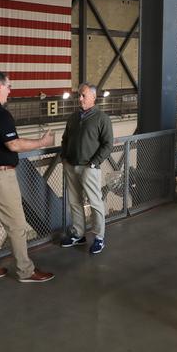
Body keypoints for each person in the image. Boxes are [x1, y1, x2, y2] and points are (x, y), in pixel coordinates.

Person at [0, 70, 56, 283]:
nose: (10, 90)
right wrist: (42, 142)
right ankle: (26, 271)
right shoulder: (0, 113)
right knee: (16, 225)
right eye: (8, 86)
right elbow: (13, 144)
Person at [59, 82, 114, 255]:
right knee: (74, 202)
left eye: (83, 95)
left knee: (95, 203)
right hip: (71, 165)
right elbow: (65, 139)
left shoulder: (102, 118)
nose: (80, 98)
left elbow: (107, 144)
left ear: (93, 97)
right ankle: (78, 234)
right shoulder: (73, 118)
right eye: (79, 95)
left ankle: (99, 237)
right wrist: (64, 158)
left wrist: (93, 162)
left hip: (89, 168)